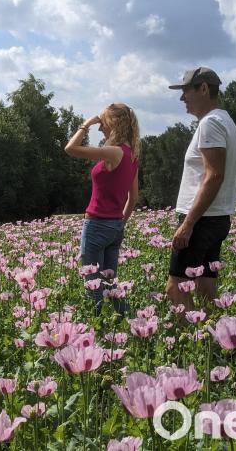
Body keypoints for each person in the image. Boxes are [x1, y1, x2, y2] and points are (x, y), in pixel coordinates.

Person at [165, 67, 236, 314]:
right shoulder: (226, 121)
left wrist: (188, 224)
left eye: (186, 91)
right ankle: (217, 346)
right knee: (206, 289)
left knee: (176, 289)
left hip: (200, 221)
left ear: (204, 88)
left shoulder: (211, 123)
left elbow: (214, 176)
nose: (182, 98)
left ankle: (191, 345)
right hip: (216, 219)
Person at [64, 103, 140, 314]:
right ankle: (128, 320)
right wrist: (119, 224)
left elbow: (70, 149)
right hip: (115, 226)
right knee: (109, 283)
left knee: (93, 283)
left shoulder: (113, 152)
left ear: (113, 124)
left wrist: (85, 124)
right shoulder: (132, 154)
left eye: (102, 123)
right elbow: (133, 198)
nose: (99, 128)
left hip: (97, 223)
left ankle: (96, 326)